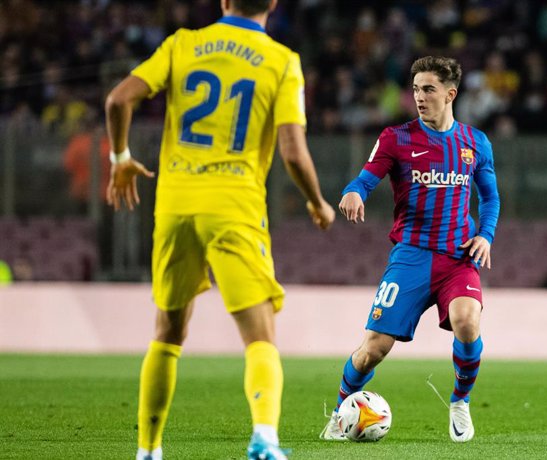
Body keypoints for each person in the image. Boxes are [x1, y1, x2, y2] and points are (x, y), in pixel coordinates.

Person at [104, 1, 336, 459]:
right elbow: (292, 151)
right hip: (233, 205)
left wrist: (120, 158)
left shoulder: (182, 44)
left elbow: (118, 99)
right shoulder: (281, 61)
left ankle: (148, 451)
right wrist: (316, 201)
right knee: (260, 336)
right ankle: (265, 439)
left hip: (174, 205)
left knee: (168, 330)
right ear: (272, 4)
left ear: (224, 0)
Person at [320, 56, 500, 443]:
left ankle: (459, 401)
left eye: (429, 89)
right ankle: (339, 413)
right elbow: (366, 178)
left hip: (458, 258)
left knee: (467, 321)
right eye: (416, 89)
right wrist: (353, 190)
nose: (419, 96)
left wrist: (485, 234)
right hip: (411, 256)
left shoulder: (475, 143)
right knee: (374, 349)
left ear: (450, 94)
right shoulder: (396, 138)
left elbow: (490, 198)